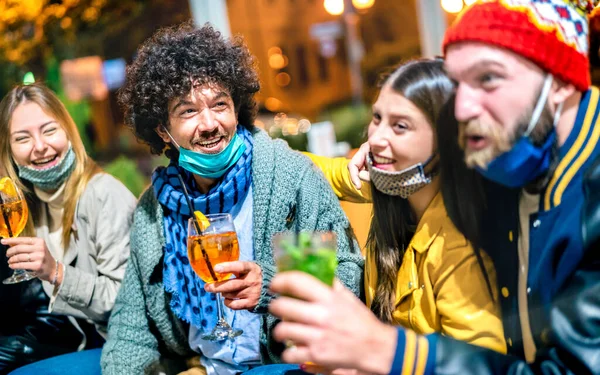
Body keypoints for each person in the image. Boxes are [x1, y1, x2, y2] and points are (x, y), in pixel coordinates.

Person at [268, 1, 600, 374]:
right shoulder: (509, 165)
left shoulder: (582, 196)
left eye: (488, 78)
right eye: (458, 87)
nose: (461, 109)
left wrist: (391, 353)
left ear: (558, 83)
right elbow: (336, 174)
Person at [100, 22, 364, 375]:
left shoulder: (285, 181)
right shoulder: (157, 211)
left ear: (236, 108)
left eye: (219, 105)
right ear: (163, 129)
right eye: (188, 111)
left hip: (287, 364)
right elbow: (131, 327)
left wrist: (271, 285)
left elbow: (346, 280)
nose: (209, 124)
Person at [304, 59, 504, 352]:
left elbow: (479, 363)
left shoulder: (460, 243)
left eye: (400, 126)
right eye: (377, 118)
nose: (376, 138)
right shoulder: (390, 190)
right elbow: (304, 170)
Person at [0, 83, 136, 374]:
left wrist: (55, 272)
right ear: (9, 151)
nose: (39, 146)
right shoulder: (26, 206)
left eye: (49, 130)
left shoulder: (104, 195)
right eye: (22, 138)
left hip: (118, 347)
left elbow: (126, 306)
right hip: (73, 343)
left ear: (69, 132)